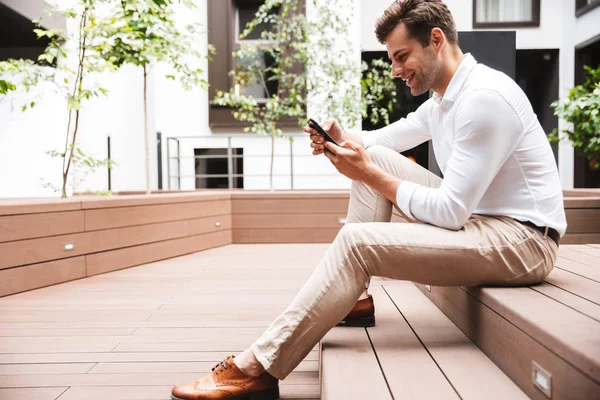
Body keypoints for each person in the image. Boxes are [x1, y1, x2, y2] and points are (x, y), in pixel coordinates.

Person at [171, 0, 567, 399]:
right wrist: (342, 143)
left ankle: (258, 367)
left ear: (436, 40)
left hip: (524, 242)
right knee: (374, 158)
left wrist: (366, 173)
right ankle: (355, 300)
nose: (395, 70)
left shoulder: (484, 99)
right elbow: (385, 140)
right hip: (483, 222)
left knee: (357, 241)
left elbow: (450, 212)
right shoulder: (445, 99)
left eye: (401, 57)